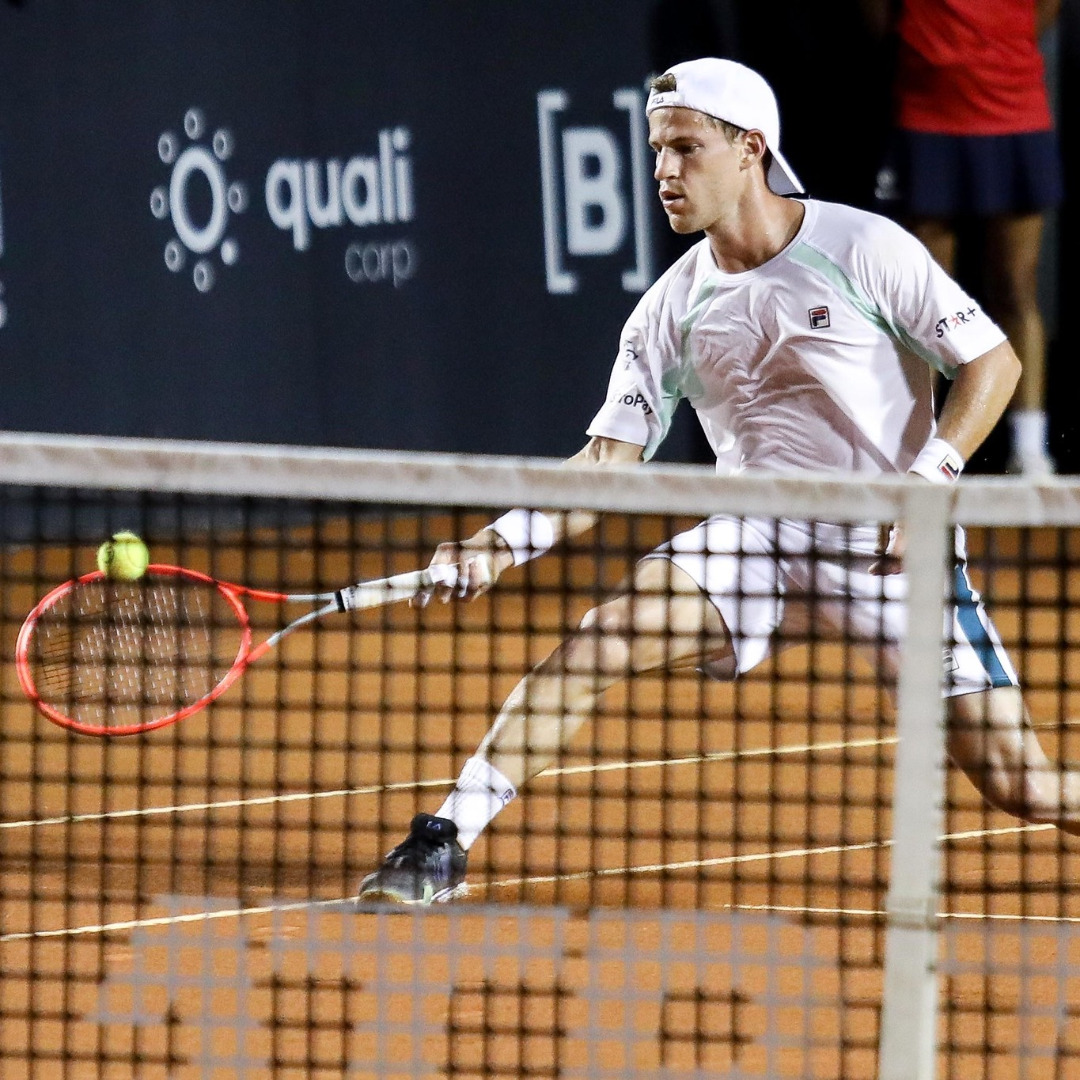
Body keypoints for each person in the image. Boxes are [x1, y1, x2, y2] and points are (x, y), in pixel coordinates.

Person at [357, 57, 1080, 906]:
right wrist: (494, 546)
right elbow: (603, 466)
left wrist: (931, 479)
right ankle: (444, 839)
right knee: (603, 636)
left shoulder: (863, 248)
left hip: (885, 551)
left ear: (749, 150)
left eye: (686, 148)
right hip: (753, 538)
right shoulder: (668, 308)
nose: (663, 171)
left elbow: (991, 361)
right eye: (656, 150)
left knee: (1025, 788)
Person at [870, 0, 1064, 475]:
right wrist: (931, 54)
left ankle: (1029, 450)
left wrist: (991, 52)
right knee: (923, 297)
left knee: (1017, 287)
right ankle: (919, 449)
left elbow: (1046, 8)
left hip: (1014, 109)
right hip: (926, 111)